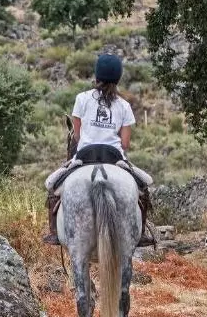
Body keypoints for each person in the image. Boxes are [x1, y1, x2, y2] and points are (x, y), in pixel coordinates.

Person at [43, 53, 155, 247]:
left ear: (97, 75)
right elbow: (125, 144)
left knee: (53, 187)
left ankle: (54, 232)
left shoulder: (82, 98)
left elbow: (77, 135)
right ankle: (141, 233)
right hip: (115, 159)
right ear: (118, 77)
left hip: (85, 157)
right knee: (143, 189)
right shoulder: (124, 106)